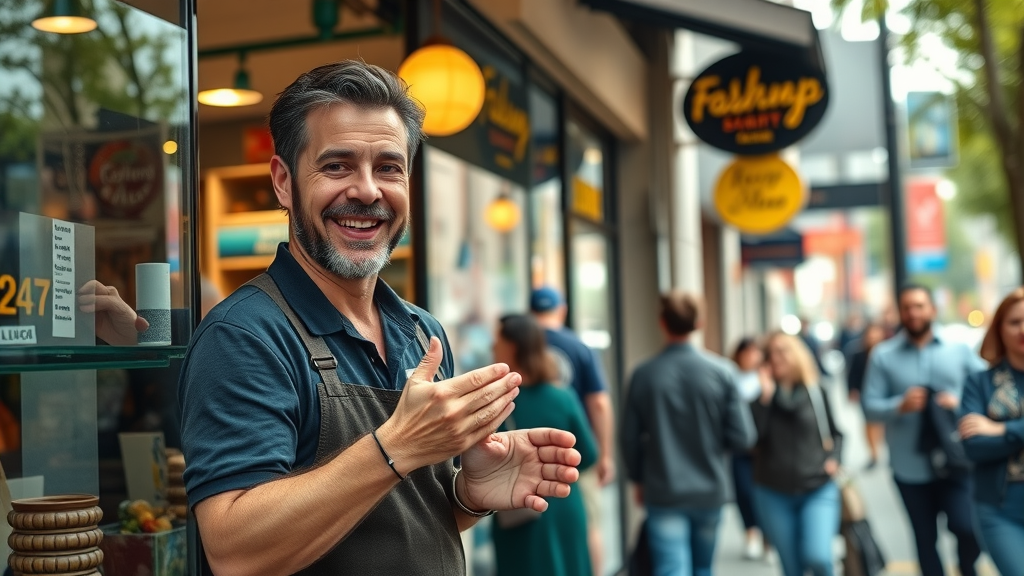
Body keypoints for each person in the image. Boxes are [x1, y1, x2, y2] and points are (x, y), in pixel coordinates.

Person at [177, 61, 582, 576]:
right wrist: (396, 446)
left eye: (389, 167)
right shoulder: (244, 336)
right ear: (284, 182)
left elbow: (396, 521)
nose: (367, 191)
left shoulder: (422, 333)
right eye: (337, 166)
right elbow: (236, 551)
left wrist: (468, 495)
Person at [621, 291, 756, 576]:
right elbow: (744, 437)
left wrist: (637, 477)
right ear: (700, 323)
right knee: (703, 569)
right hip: (710, 489)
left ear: (662, 322)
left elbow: (629, 438)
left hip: (663, 488)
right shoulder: (723, 372)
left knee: (671, 569)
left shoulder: (644, 374)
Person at [863, 284, 986, 576]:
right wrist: (899, 406)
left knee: (967, 528)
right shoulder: (883, 356)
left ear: (932, 309)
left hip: (957, 460)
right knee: (924, 539)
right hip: (909, 466)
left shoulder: (959, 350)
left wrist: (959, 403)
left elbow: (986, 390)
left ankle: (967, 566)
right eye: (907, 307)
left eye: (919, 306)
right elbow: (869, 407)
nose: (913, 313)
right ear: (900, 313)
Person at [490, 314, 598, 576]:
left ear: (513, 347)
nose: (493, 347)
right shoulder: (563, 397)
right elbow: (590, 454)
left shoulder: (496, 404)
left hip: (517, 508)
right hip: (564, 504)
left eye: (498, 341)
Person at [530, 285, 615, 576]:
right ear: (562, 310)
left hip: (531, 454)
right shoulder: (579, 347)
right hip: (576, 453)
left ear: (532, 313)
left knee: (538, 530)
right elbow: (600, 404)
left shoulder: (525, 346)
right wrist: (604, 454)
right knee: (587, 525)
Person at [751, 332, 843, 576]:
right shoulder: (761, 399)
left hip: (817, 487)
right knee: (792, 568)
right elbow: (751, 441)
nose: (777, 357)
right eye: (771, 353)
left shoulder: (817, 392)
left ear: (797, 354)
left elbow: (836, 434)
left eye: (783, 350)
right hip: (773, 492)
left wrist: (834, 458)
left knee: (820, 558)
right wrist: (765, 399)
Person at [958, 288, 1024, 576]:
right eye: (1014, 322)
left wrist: (1001, 429)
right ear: (999, 329)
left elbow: (990, 438)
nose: (1023, 329)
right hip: (999, 510)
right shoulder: (978, 384)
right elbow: (975, 447)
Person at [729, 337, 769, 560]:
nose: (751, 357)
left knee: (763, 494)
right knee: (744, 493)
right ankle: (751, 534)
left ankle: (767, 540)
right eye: (748, 352)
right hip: (741, 448)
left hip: (763, 448)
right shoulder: (730, 377)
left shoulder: (764, 378)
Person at [846, 322, 888, 469]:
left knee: (882, 425)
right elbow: (851, 374)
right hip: (865, 394)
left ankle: (881, 449)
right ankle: (874, 454)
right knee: (868, 425)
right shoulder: (858, 353)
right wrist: (851, 390)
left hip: (884, 395)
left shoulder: (887, 352)